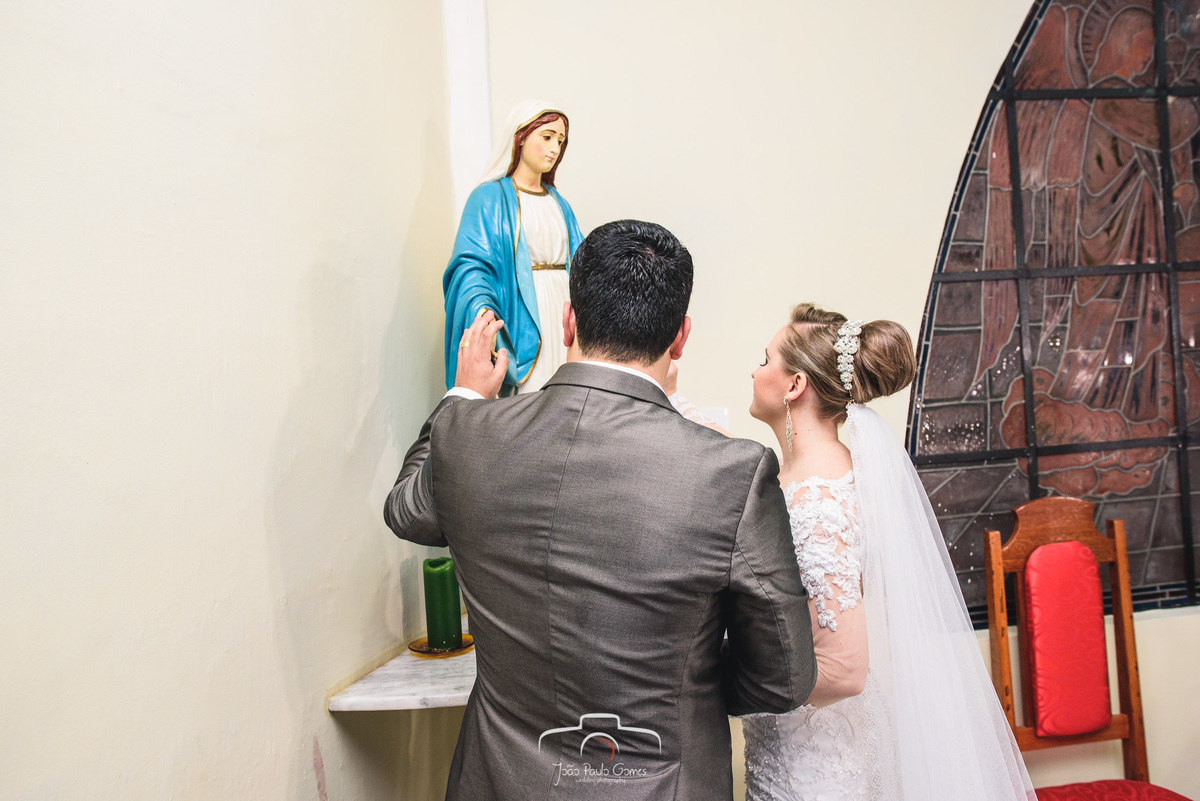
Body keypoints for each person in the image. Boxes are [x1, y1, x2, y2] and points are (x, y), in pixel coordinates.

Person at [385, 220, 827, 801]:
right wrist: (681, 681)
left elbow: (407, 511)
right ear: (681, 337)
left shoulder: (465, 434)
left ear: (567, 319)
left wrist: (463, 397)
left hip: (496, 779)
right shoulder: (732, 473)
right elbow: (784, 677)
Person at [737, 303, 1035, 800]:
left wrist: (730, 680)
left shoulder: (819, 500)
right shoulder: (813, 479)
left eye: (765, 360)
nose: (754, 371)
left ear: (794, 386)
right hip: (788, 757)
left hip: (812, 777)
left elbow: (845, 671)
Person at [442, 99, 585, 395]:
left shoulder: (559, 203)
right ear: (520, 138)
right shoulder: (489, 199)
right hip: (522, 316)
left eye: (560, 141)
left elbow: (583, 263)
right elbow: (471, 266)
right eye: (547, 137)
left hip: (564, 311)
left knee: (566, 393)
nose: (555, 148)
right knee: (531, 399)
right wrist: (482, 311)